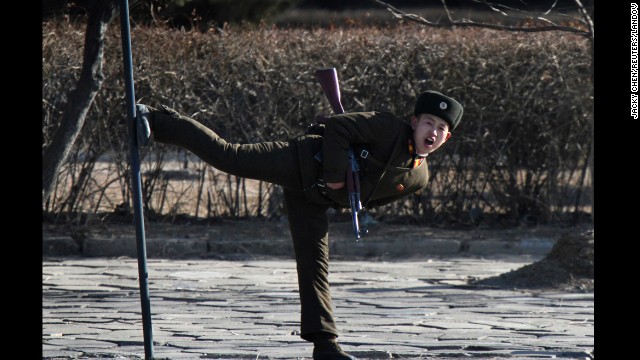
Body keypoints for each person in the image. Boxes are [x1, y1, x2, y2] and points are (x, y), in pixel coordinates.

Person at [135, 90, 463, 360]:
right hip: (301, 161)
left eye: (440, 129)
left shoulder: (419, 176)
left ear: (447, 137)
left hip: (314, 200)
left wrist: (345, 195)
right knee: (229, 156)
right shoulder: (388, 127)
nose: (432, 132)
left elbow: (370, 200)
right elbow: (337, 128)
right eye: (428, 122)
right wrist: (337, 179)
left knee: (314, 267)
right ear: (415, 121)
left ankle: (324, 345)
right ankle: (157, 119)